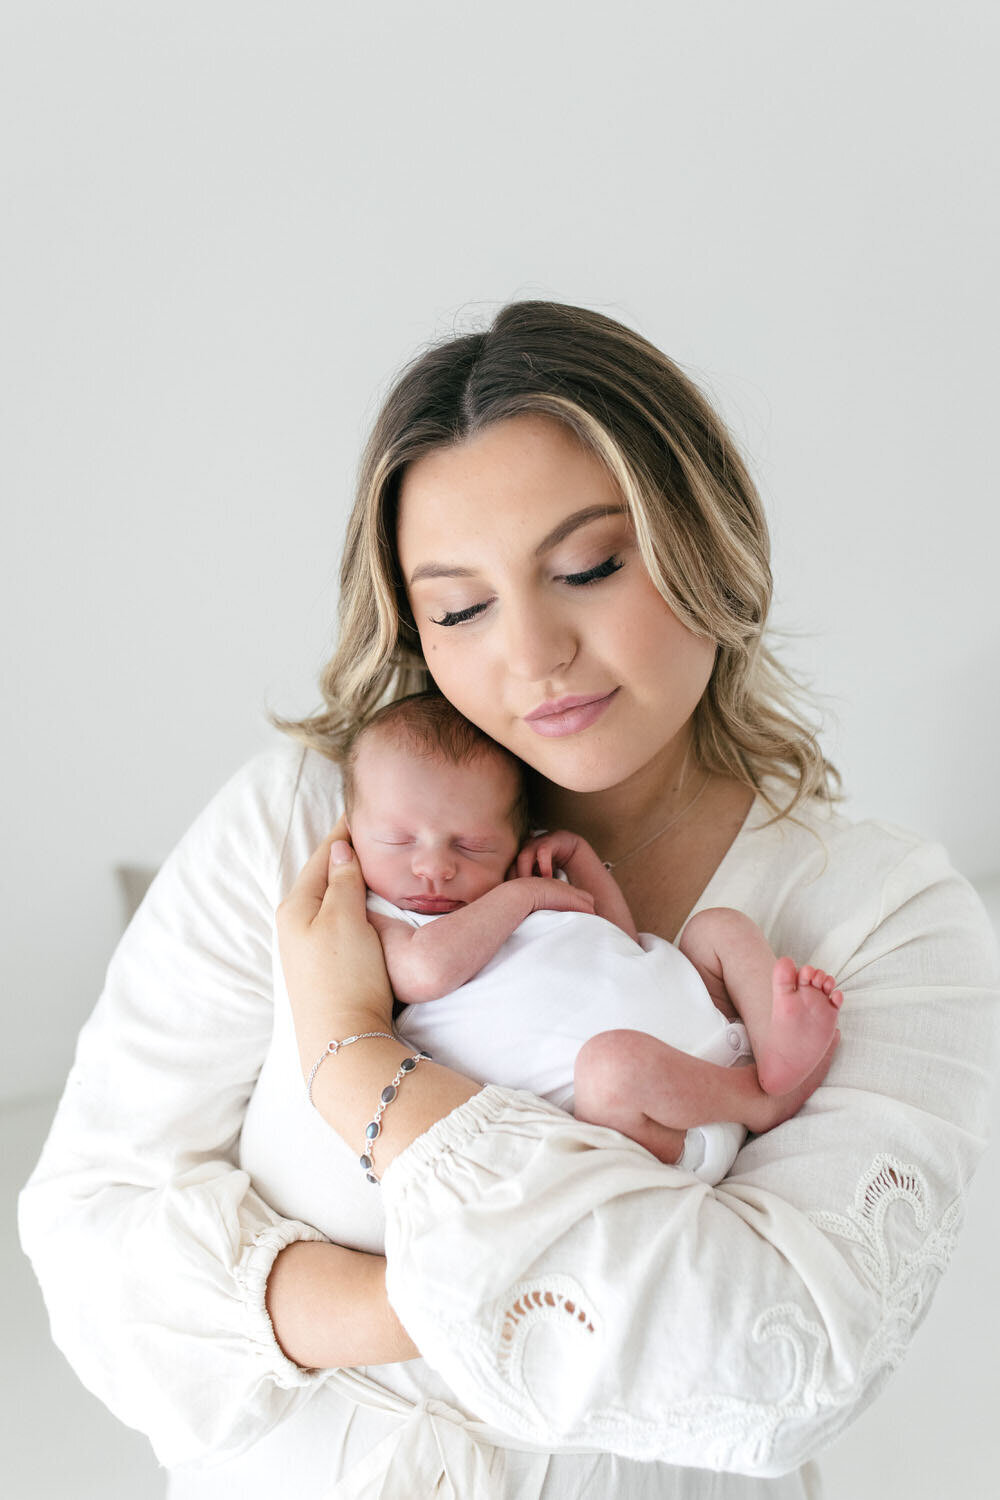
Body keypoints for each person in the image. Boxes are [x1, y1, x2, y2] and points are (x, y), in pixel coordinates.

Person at [18, 300, 999, 1500]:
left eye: (587, 566)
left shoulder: (884, 919)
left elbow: (780, 1368)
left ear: (703, 536)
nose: (532, 653)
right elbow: (93, 1239)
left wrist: (348, 1057)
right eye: (461, 607)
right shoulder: (306, 832)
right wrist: (435, 1303)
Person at [340, 689, 842, 1183]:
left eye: (472, 845)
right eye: (397, 841)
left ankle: (777, 1044)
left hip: (702, 1013)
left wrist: (579, 859)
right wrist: (522, 900)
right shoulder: (385, 916)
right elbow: (423, 973)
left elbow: (620, 943)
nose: (434, 868)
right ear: (352, 833)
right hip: (651, 1122)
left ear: (514, 838)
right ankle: (761, 1101)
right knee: (612, 1066)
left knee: (719, 926)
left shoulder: (523, 877)